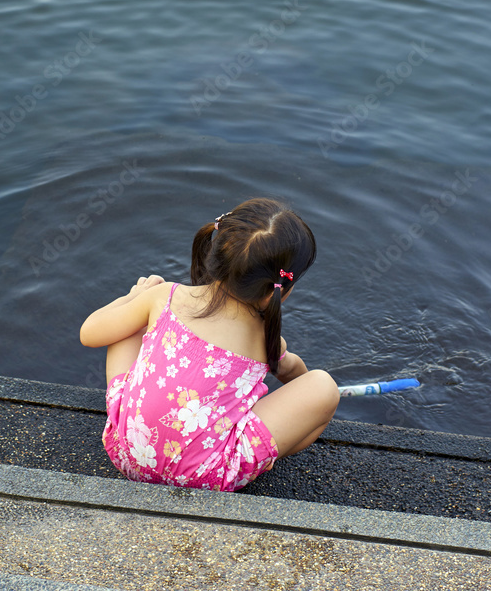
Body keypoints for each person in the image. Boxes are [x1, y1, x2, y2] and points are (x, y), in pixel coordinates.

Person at [80, 198, 340, 491]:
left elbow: (89, 333)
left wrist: (135, 296)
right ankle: (260, 460)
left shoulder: (165, 296)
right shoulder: (265, 339)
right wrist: (299, 387)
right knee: (324, 387)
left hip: (129, 451)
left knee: (128, 324)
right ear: (276, 292)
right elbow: (296, 375)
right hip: (202, 478)